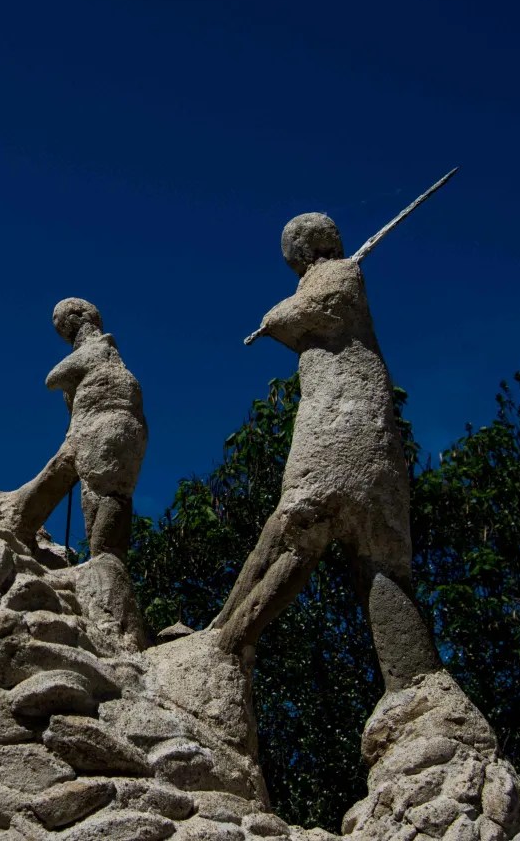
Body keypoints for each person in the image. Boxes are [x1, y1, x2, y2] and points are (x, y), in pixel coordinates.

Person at [211, 212, 438, 690]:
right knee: (376, 565)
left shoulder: (337, 272)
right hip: (363, 425)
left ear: (301, 248)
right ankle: (418, 688)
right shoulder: (333, 275)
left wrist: (271, 319)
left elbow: (312, 310)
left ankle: (227, 641)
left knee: (298, 522)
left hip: (342, 419)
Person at [10, 298, 146, 561]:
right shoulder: (109, 354)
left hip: (100, 427)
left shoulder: (98, 348)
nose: (61, 331)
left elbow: (53, 378)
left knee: (101, 495)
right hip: (101, 430)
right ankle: (102, 559)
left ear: (78, 316)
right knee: (86, 487)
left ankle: (105, 562)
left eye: (61, 323)